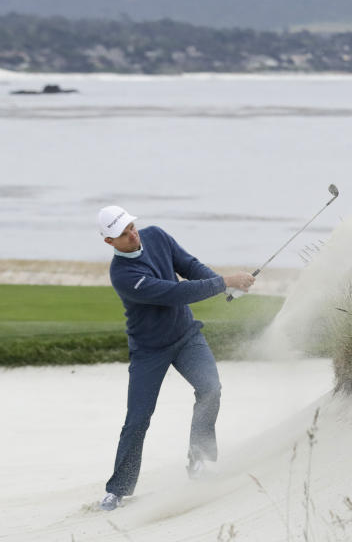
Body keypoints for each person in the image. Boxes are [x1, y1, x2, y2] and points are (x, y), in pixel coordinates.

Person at [96, 205, 255, 511]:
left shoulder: (155, 236)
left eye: (131, 226)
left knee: (210, 389)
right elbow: (176, 293)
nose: (132, 235)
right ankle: (118, 489)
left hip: (186, 336)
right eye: (123, 234)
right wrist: (226, 281)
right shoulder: (123, 275)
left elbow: (189, 266)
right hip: (149, 350)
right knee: (138, 419)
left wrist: (224, 286)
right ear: (109, 242)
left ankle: (200, 462)